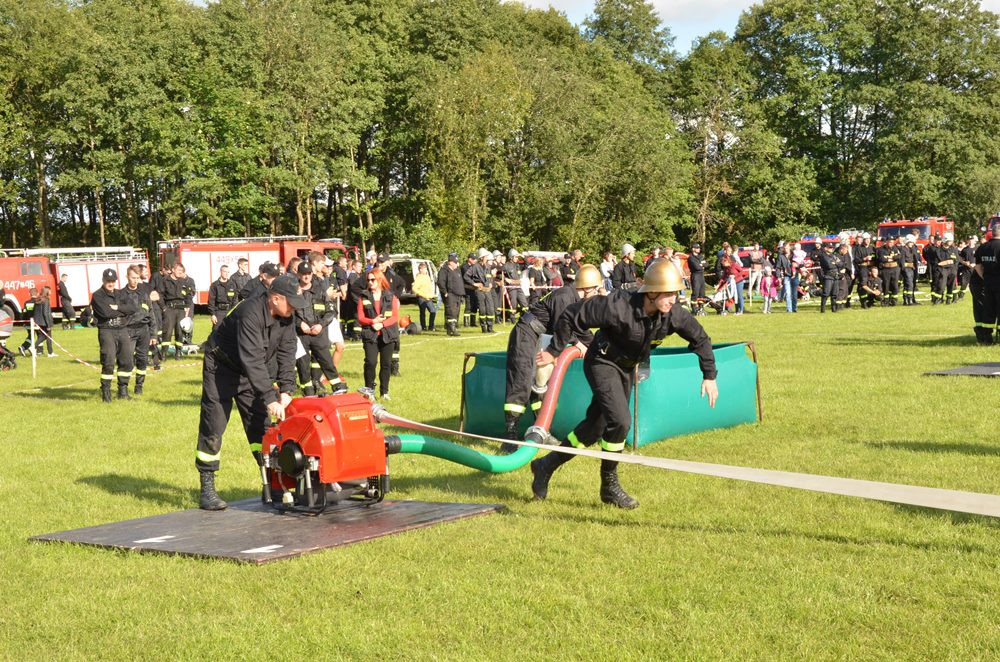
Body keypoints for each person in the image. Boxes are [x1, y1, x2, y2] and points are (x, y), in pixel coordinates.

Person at [531, 260, 718, 509]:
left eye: (676, 293)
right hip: (602, 362)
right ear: (651, 292)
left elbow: (701, 338)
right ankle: (609, 486)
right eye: (668, 293)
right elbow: (570, 316)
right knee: (620, 421)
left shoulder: (673, 314)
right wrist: (555, 350)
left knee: (593, 429)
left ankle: (545, 466)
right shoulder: (617, 306)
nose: (673, 299)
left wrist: (709, 375)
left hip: (627, 368)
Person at [195, 273, 303, 510]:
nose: (295, 308)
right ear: (275, 298)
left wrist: (285, 389)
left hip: (251, 372)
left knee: (261, 428)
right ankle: (207, 488)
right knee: (213, 425)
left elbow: (287, 352)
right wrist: (268, 396)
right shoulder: (250, 313)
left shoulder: (287, 316)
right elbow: (252, 357)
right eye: (292, 302)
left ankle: (273, 486)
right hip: (221, 368)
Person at [501, 264, 603, 453]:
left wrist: (598, 344)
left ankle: (540, 429)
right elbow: (562, 326)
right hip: (527, 333)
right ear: (587, 287)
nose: (597, 293)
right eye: (596, 289)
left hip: (539, 335)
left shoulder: (574, 299)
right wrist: (576, 344)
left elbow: (580, 328)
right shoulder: (565, 296)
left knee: (540, 383)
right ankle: (509, 434)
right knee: (521, 380)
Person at [293, 261, 346, 396]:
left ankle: (338, 388)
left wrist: (321, 325)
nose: (306, 276)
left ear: (312, 274)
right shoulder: (293, 292)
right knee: (303, 365)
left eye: (308, 273)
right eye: (303, 274)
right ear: (298, 274)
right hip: (300, 335)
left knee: (326, 361)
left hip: (319, 333)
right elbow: (287, 313)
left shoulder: (320, 290)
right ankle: (308, 392)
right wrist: (300, 324)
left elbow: (330, 311)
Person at [91, 269, 139, 402]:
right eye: (108, 281)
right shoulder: (97, 295)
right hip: (107, 330)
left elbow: (133, 308)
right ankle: (105, 393)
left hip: (122, 329)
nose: (110, 284)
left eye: (112, 281)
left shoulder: (120, 294)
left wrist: (117, 307)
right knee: (109, 361)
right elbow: (106, 313)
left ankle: (122, 391)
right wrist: (122, 310)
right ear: (103, 280)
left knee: (127, 361)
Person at [357, 268, 399, 400]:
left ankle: (384, 392)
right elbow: (360, 317)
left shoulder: (390, 296)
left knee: (386, 363)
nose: (370, 282)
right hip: (370, 334)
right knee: (371, 362)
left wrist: (382, 324)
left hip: (388, 334)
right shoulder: (363, 297)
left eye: (372, 279)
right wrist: (372, 321)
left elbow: (394, 317)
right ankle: (369, 391)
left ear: (380, 280)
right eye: (368, 280)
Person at [122, 265, 156, 396]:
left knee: (142, 359)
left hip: (144, 330)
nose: (135, 280)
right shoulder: (121, 295)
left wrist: (153, 334)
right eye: (132, 278)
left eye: (137, 278)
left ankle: (139, 386)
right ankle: (123, 387)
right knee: (127, 359)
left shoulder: (144, 294)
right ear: (127, 277)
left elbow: (151, 314)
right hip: (128, 330)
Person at [156, 262, 195, 359]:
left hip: (181, 309)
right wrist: (163, 308)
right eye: (178, 270)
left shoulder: (184, 282)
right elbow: (159, 295)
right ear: (173, 270)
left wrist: (187, 307)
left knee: (180, 331)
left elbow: (188, 295)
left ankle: (178, 352)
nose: (180, 272)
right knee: (167, 331)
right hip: (169, 309)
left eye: (182, 271)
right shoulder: (165, 280)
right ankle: (164, 353)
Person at [974, 232, 1000, 345]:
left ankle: (986, 338)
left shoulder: (982, 247)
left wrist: (985, 277)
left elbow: (978, 266)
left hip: (988, 284)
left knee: (989, 310)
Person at [465, 249, 497, 333]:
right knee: (482, 309)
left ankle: (490, 327)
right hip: (479, 291)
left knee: (490, 308)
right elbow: (466, 276)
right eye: (486, 256)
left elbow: (489, 276)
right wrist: (474, 284)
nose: (487, 258)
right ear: (482, 257)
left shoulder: (488, 267)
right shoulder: (475, 267)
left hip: (488, 290)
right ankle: (483, 328)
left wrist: (490, 282)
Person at [19, 287, 54, 356]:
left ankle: (39, 351)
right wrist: (48, 324)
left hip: (33, 321)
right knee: (42, 336)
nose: (51, 292)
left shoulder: (32, 301)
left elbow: (25, 312)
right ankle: (36, 349)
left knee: (36, 336)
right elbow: (45, 313)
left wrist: (24, 321)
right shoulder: (44, 300)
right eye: (50, 291)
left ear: (29, 294)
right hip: (40, 322)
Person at [438, 253, 465, 336]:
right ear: (450, 262)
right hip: (450, 294)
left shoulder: (457, 270)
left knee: (456, 312)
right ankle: (453, 330)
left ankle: (450, 330)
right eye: (455, 262)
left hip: (458, 294)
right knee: (451, 312)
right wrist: (445, 292)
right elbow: (440, 282)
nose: (457, 264)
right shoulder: (444, 270)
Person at [876, 237, 902, 306]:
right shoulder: (881, 249)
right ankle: (886, 300)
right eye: (890, 242)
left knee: (895, 285)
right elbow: (881, 258)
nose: (891, 243)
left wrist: (891, 257)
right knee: (886, 285)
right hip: (886, 269)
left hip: (895, 269)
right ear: (886, 242)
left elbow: (899, 256)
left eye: (892, 242)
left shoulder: (895, 248)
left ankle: (893, 300)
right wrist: (889, 259)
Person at [413, 262, 437, 332]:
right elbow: (414, 288)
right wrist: (421, 294)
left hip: (428, 298)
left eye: (426, 268)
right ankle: (423, 327)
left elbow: (429, 287)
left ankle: (431, 326)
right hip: (421, 298)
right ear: (420, 270)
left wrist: (431, 295)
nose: (425, 270)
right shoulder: (419, 277)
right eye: (424, 269)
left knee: (433, 311)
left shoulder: (427, 277)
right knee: (422, 313)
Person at [899, 235, 922, 306]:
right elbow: (902, 262)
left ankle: (906, 300)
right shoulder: (903, 250)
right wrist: (908, 266)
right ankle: (910, 300)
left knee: (907, 285)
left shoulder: (912, 249)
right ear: (907, 242)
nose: (912, 244)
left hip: (912, 269)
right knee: (910, 284)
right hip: (906, 269)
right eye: (911, 242)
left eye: (913, 243)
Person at [938, 233, 960, 304]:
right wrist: (946, 262)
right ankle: (938, 299)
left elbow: (957, 260)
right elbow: (938, 262)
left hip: (952, 270)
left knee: (951, 286)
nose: (951, 242)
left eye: (951, 241)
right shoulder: (939, 250)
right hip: (943, 270)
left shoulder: (953, 249)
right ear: (945, 240)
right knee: (942, 286)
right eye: (949, 241)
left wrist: (955, 270)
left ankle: (948, 300)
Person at [818, 242, 839, 313]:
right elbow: (829, 265)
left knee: (834, 294)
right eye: (830, 247)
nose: (832, 249)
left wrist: (835, 263)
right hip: (828, 276)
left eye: (832, 247)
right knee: (826, 293)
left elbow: (842, 264)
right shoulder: (823, 256)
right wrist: (836, 263)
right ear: (825, 248)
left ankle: (834, 309)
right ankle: (823, 309)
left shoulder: (834, 256)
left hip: (835, 276)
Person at [854, 233, 874, 302]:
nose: (868, 240)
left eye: (869, 239)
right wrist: (864, 258)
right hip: (863, 268)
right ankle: (863, 301)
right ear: (863, 240)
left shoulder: (872, 248)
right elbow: (856, 259)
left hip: (871, 268)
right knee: (863, 283)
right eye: (866, 239)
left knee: (872, 283)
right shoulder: (859, 249)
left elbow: (876, 257)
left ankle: (871, 300)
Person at [461, 252, 479, 326]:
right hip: (467, 288)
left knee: (474, 305)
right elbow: (467, 278)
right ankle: (466, 322)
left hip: (474, 288)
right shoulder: (464, 267)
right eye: (473, 259)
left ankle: (473, 322)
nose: (475, 260)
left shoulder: (474, 266)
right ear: (469, 259)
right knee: (468, 305)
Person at [747, 243, 764, 307]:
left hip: (760, 269)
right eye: (756, 246)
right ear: (754, 247)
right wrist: (758, 260)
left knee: (758, 282)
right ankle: (749, 293)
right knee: (752, 282)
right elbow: (751, 260)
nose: (757, 247)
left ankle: (757, 293)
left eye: (758, 246)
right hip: (754, 269)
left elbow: (762, 261)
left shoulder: (761, 253)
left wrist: (756, 260)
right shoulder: (751, 253)